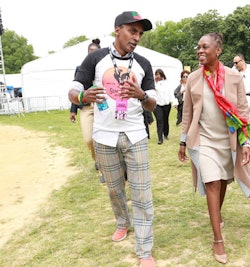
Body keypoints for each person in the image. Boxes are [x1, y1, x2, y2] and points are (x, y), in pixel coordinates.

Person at [68, 11, 157, 267]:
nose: (136, 37)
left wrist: (141, 95)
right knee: (115, 189)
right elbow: (73, 90)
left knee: (142, 194)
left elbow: (151, 104)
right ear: (117, 29)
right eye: (132, 31)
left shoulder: (143, 64)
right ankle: (122, 222)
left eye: (140, 33)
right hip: (104, 137)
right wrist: (83, 97)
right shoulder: (95, 59)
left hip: (136, 135)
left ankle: (144, 249)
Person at [178, 32, 250, 265]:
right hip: (203, 140)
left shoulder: (234, 77)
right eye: (198, 47)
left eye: (205, 47)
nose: (200, 51)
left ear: (218, 50)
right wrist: (183, 141)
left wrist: (246, 142)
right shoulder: (194, 78)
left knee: (223, 180)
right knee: (212, 182)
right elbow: (187, 113)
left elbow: (243, 112)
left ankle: (217, 214)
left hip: (228, 141)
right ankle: (217, 239)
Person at [69, 38, 104, 182]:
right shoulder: (80, 68)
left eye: (94, 53)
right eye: (89, 53)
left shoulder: (105, 68)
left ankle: (104, 170)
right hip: (86, 107)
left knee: (102, 138)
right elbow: (75, 89)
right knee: (89, 139)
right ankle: (97, 159)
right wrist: (73, 110)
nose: (91, 56)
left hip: (103, 106)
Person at [232, 54, 250, 129]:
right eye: (234, 63)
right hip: (241, 97)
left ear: (242, 61)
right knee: (242, 116)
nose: (235, 65)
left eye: (236, 63)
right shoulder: (233, 71)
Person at [153, 68, 177, 144]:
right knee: (159, 120)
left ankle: (165, 134)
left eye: (158, 74)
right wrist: (155, 82)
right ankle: (160, 138)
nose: (157, 76)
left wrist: (174, 103)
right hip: (157, 104)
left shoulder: (167, 84)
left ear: (162, 75)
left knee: (165, 120)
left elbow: (171, 94)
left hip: (166, 104)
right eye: (156, 74)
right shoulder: (153, 84)